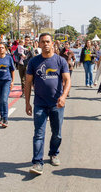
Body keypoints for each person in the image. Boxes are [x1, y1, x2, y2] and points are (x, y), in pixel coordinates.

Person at [25, 33, 71, 175]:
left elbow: (67, 80)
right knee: (39, 133)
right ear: (38, 44)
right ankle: (37, 162)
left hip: (56, 104)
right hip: (39, 103)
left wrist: (63, 96)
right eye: (42, 42)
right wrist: (27, 103)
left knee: (57, 134)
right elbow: (27, 83)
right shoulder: (33, 62)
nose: (45, 44)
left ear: (52, 44)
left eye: (48, 41)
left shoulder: (60, 61)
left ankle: (53, 153)